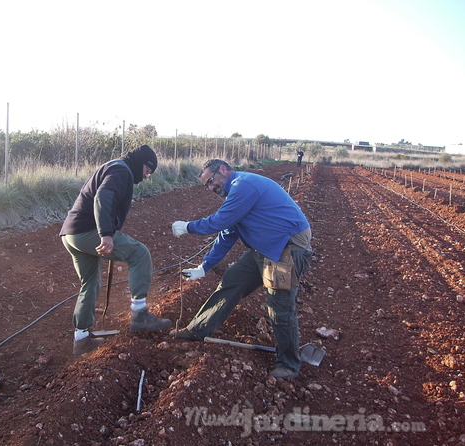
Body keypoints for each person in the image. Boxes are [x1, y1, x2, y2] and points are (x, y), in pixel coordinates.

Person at [171, 159, 312, 379]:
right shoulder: (235, 193)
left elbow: (219, 221)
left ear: (224, 170)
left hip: (287, 249)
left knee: (280, 306)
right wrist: (204, 267)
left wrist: (188, 227)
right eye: (207, 185)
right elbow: (227, 233)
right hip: (264, 248)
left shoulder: (243, 185)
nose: (211, 187)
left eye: (211, 181)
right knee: (232, 281)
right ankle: (197, 329)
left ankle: (289, 364)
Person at [60, 145, 171, 356]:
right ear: (141, 163)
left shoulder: (114, 167)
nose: (147, 175)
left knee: (90, 282)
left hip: (70, 234)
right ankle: (140, 314)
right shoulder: (122, 170)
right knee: (140, 253)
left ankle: (81, 338)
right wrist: (106, 233)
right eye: (148, 170)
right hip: (88, 231)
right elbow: (103, 197)